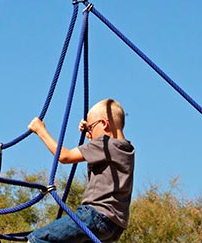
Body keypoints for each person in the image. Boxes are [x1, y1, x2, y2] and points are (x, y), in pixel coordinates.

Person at [27, 99, 134, 243]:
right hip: (114, 226)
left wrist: (40, 130)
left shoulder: (105, 144)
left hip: (95, 216)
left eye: (91, 127)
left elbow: (65, 156)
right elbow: (100, 159)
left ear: (104, 124)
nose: (89, 131)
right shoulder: (126, 150)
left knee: (37, 238)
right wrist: (91, 133)